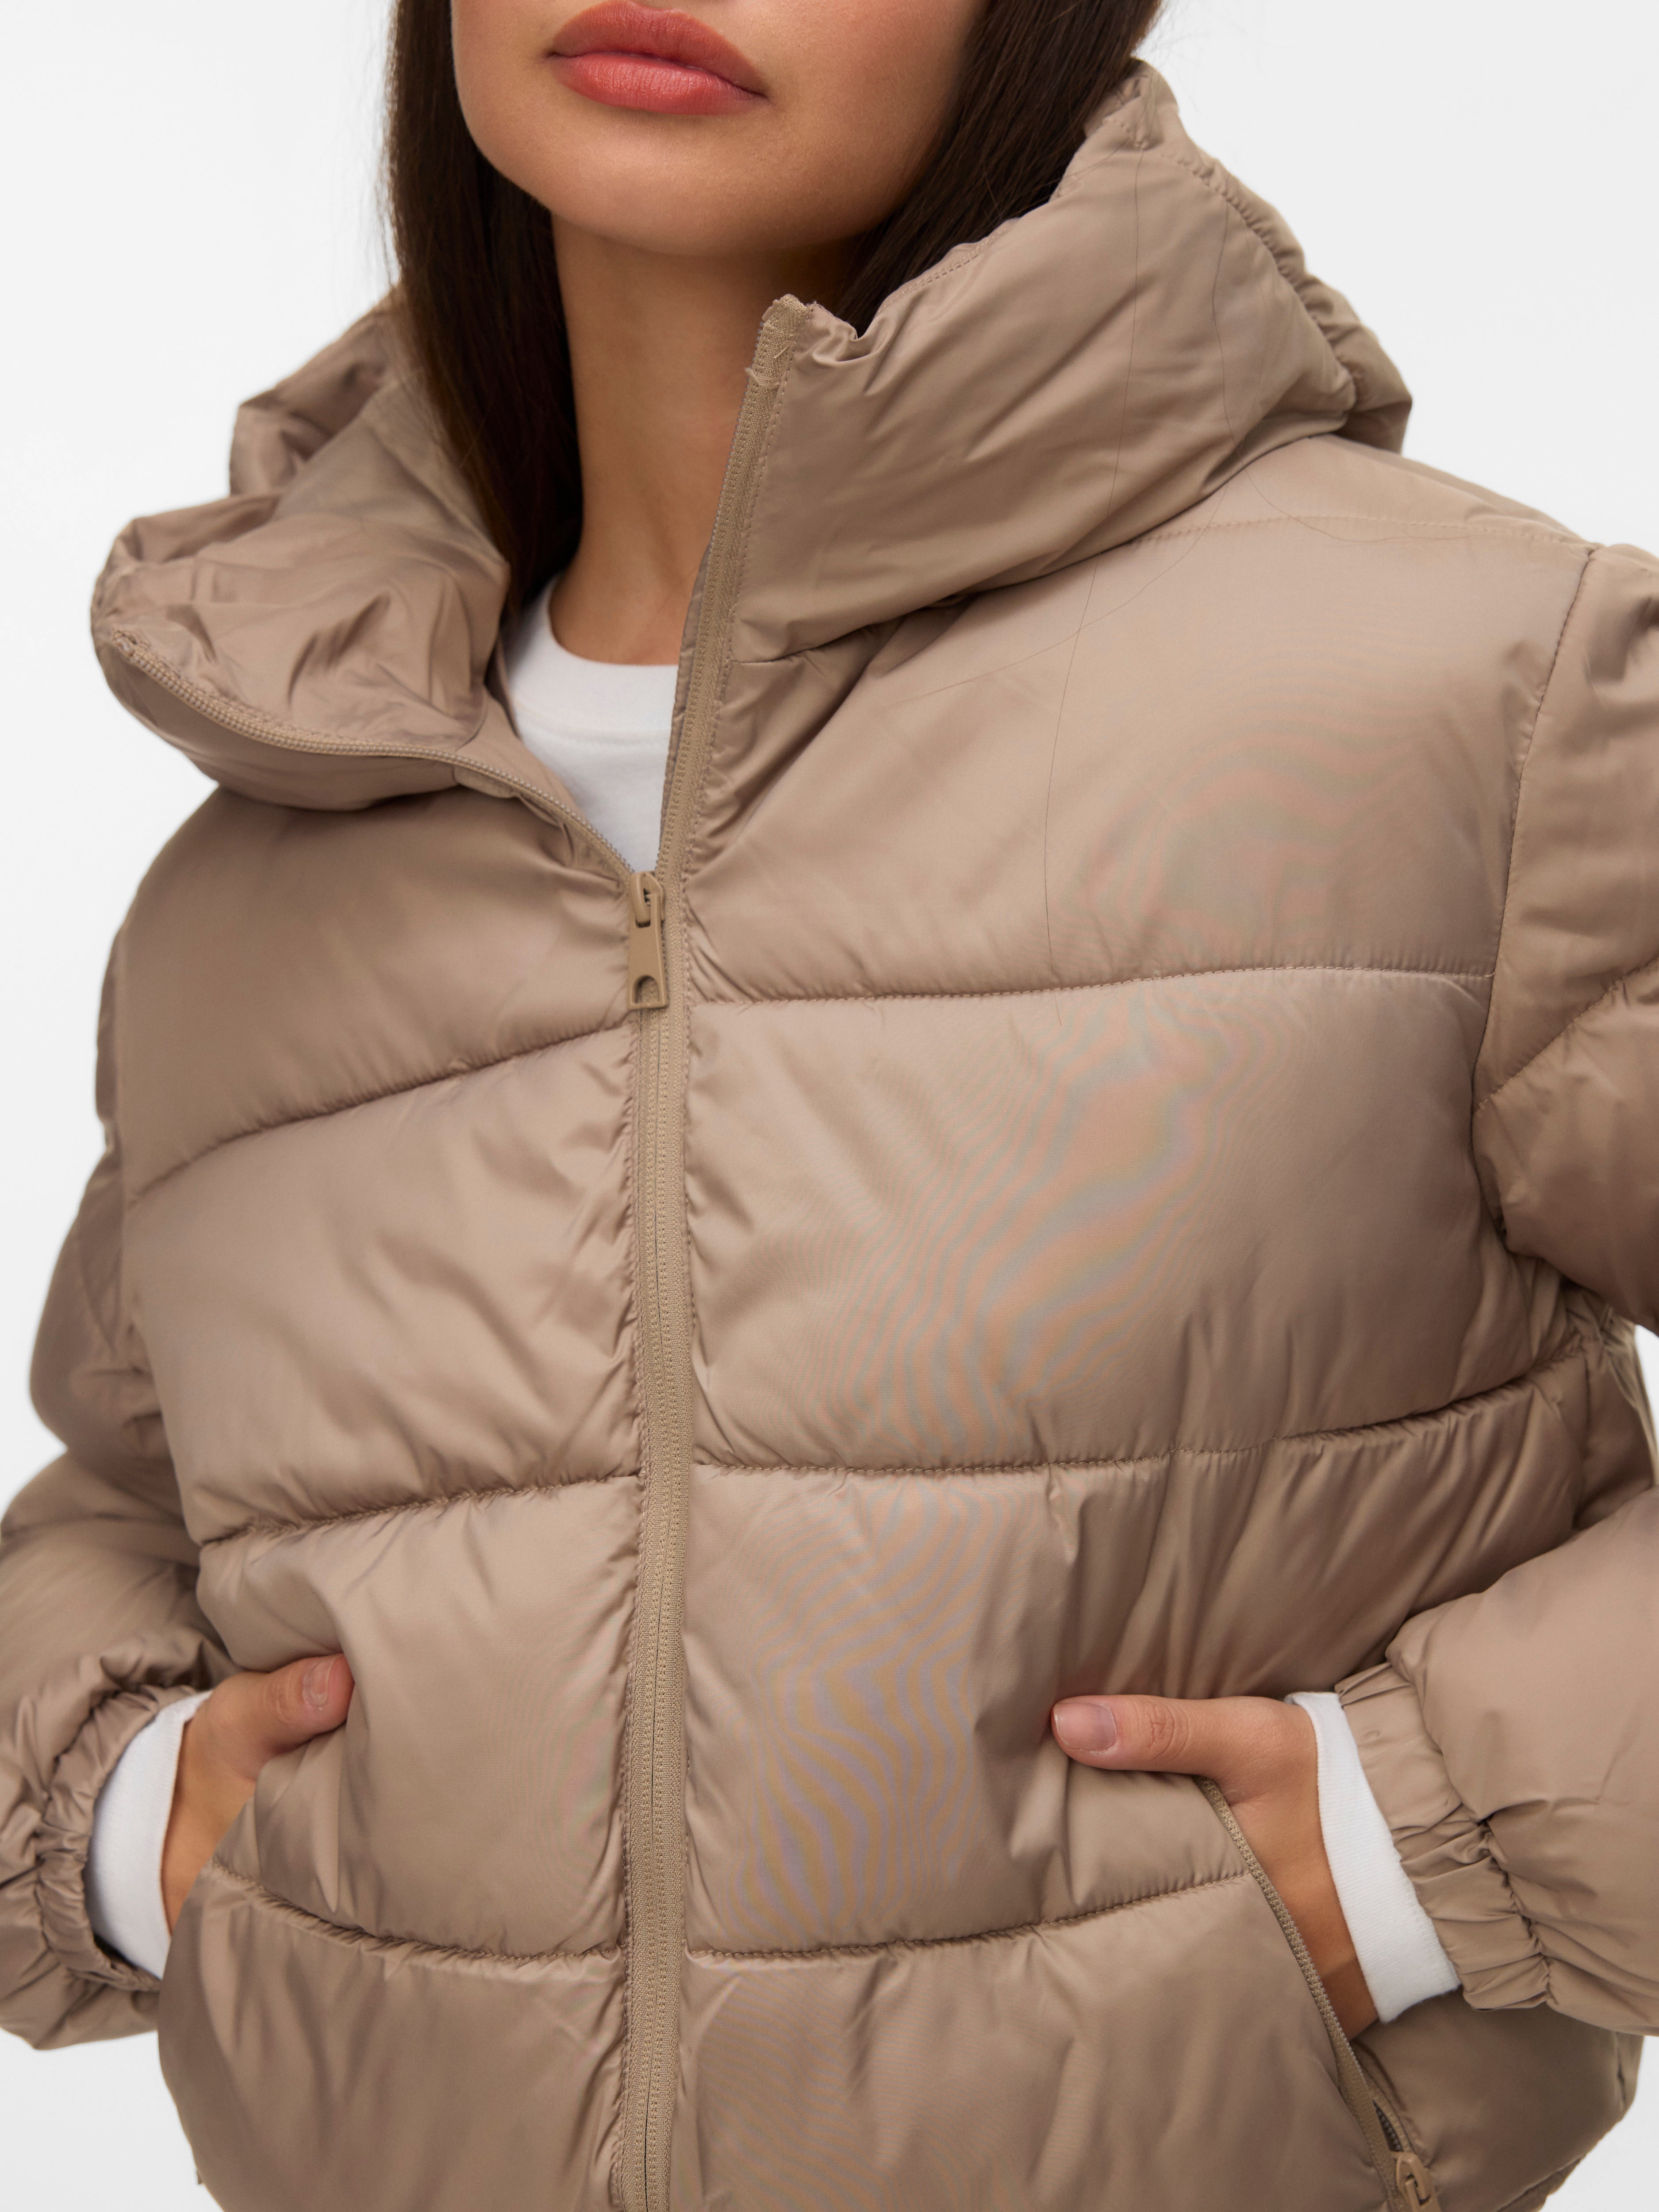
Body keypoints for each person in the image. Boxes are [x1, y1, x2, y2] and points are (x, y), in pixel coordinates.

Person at [1, 0, 1655, 2205]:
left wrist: (1422, 1833)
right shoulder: (279, 836)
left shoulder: (1476, 693)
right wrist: (119, 1813)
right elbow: (128, 1498)